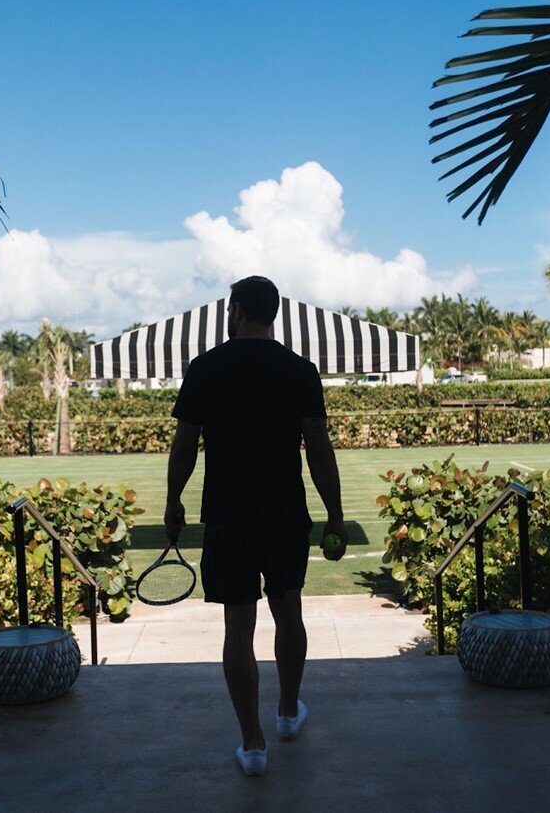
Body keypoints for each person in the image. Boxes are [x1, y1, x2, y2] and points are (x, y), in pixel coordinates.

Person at [164, 275, 348, 776]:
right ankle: (288, 712)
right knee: (289, 612)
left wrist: (173, 501)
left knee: (237, 627)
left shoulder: (205, 368)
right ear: (275, 313)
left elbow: (185, 445)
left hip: (227, 513)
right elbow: (318, 448)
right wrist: (334, 513)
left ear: (239, 309)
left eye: (229, 307)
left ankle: (253, 744)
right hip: (285, 511)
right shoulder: (300, 370)